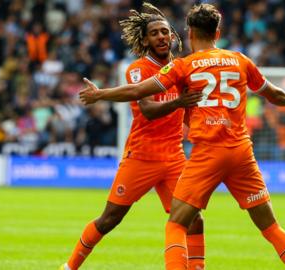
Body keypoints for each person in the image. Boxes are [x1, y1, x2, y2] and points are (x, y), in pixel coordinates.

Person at [79, 4, 285, 269]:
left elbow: (138, 91)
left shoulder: (184, 66)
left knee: (177, 223)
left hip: (208, 154)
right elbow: (273, 94)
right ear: (218, 32)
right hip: (241, 153)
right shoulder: (240, 59)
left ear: (189, 33)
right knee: (271, 228)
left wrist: (100, 94)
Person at [60, 4, 205, 270]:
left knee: (194, 219)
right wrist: (179, 102)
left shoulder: (182, 69)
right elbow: (148, 110)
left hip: (173, 158)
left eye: (165, 32)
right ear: (145, 39)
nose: (161, 37)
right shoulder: (138, 69)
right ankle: (69, 267)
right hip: (141, 157)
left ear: (173, 36)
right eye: (154, 33)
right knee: (109, 219)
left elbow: (188, 112)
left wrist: (197, 125)